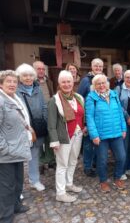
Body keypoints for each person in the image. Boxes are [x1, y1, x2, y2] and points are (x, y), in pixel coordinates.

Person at [48, 70, 85, 202]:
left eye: (69, 81)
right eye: (63, 82)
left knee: (73, 160)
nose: (66, 84)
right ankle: (60, 192)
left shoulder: (79, 98)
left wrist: (83, 127)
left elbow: (81, 115)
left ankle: (69, 184)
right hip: (63, 136)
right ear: (59, 83)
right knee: (62, 164)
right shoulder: (54, 100)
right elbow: (51, 123)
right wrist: (54, 141)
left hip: (78, 134)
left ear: (73, 82)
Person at [85, 74, 126, 192]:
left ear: (107, 84)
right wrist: (94, 135)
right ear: (94, 85)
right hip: (101, 135)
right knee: (102, 160)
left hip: (117, 133)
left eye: (103, 83)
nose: (101, 85)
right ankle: (103, 181)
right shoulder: (91, 98)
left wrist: (123, 129)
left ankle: (117, 178)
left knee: (122, 157)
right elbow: (89, 118)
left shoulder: (113, 94)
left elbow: (120, 113)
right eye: (98, 83)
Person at [0, 70, 32, 222]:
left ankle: (16, 205)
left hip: (17, 149)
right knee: (7, 186)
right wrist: (4, 148)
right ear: (1, 84)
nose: (12, 84)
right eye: (8, 81)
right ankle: (5, 216)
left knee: (18, 181)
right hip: (6, 153)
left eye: (14, 82)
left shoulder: (14, 98)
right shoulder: (1, 100)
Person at [16, 63, 47, 191]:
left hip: (37, 127)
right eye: (24, 75)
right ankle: (17, 186)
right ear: (20, 77)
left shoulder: (38, 89)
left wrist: (45, 120)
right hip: (23, 128)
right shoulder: (16, 91)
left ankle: (34, 180)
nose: (28, 78)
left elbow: (44, 106)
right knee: (19, 157)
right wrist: (25, 125)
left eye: (30, 75)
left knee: (34, 153)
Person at [77, 58, 104, 177]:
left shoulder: (105, 79)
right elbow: (79, 99)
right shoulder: (85, 81)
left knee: (99, 143)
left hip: (101, 118)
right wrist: (84, 122)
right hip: (89, 118)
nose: (98, 68)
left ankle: (96, 164)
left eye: (100, 66)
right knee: (88, 145)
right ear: (91, 67)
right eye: (96, 66)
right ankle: (87, 167)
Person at [33, 61, 55, 171]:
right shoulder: (32, 82)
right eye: (39, 69)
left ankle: (50, 159)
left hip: (49, 113)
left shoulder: (49, 81)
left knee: (50, 137)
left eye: (43, 69)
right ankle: (40, 162)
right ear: (34, 70)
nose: (41, 71)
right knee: (39, 139)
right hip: (37, 115)